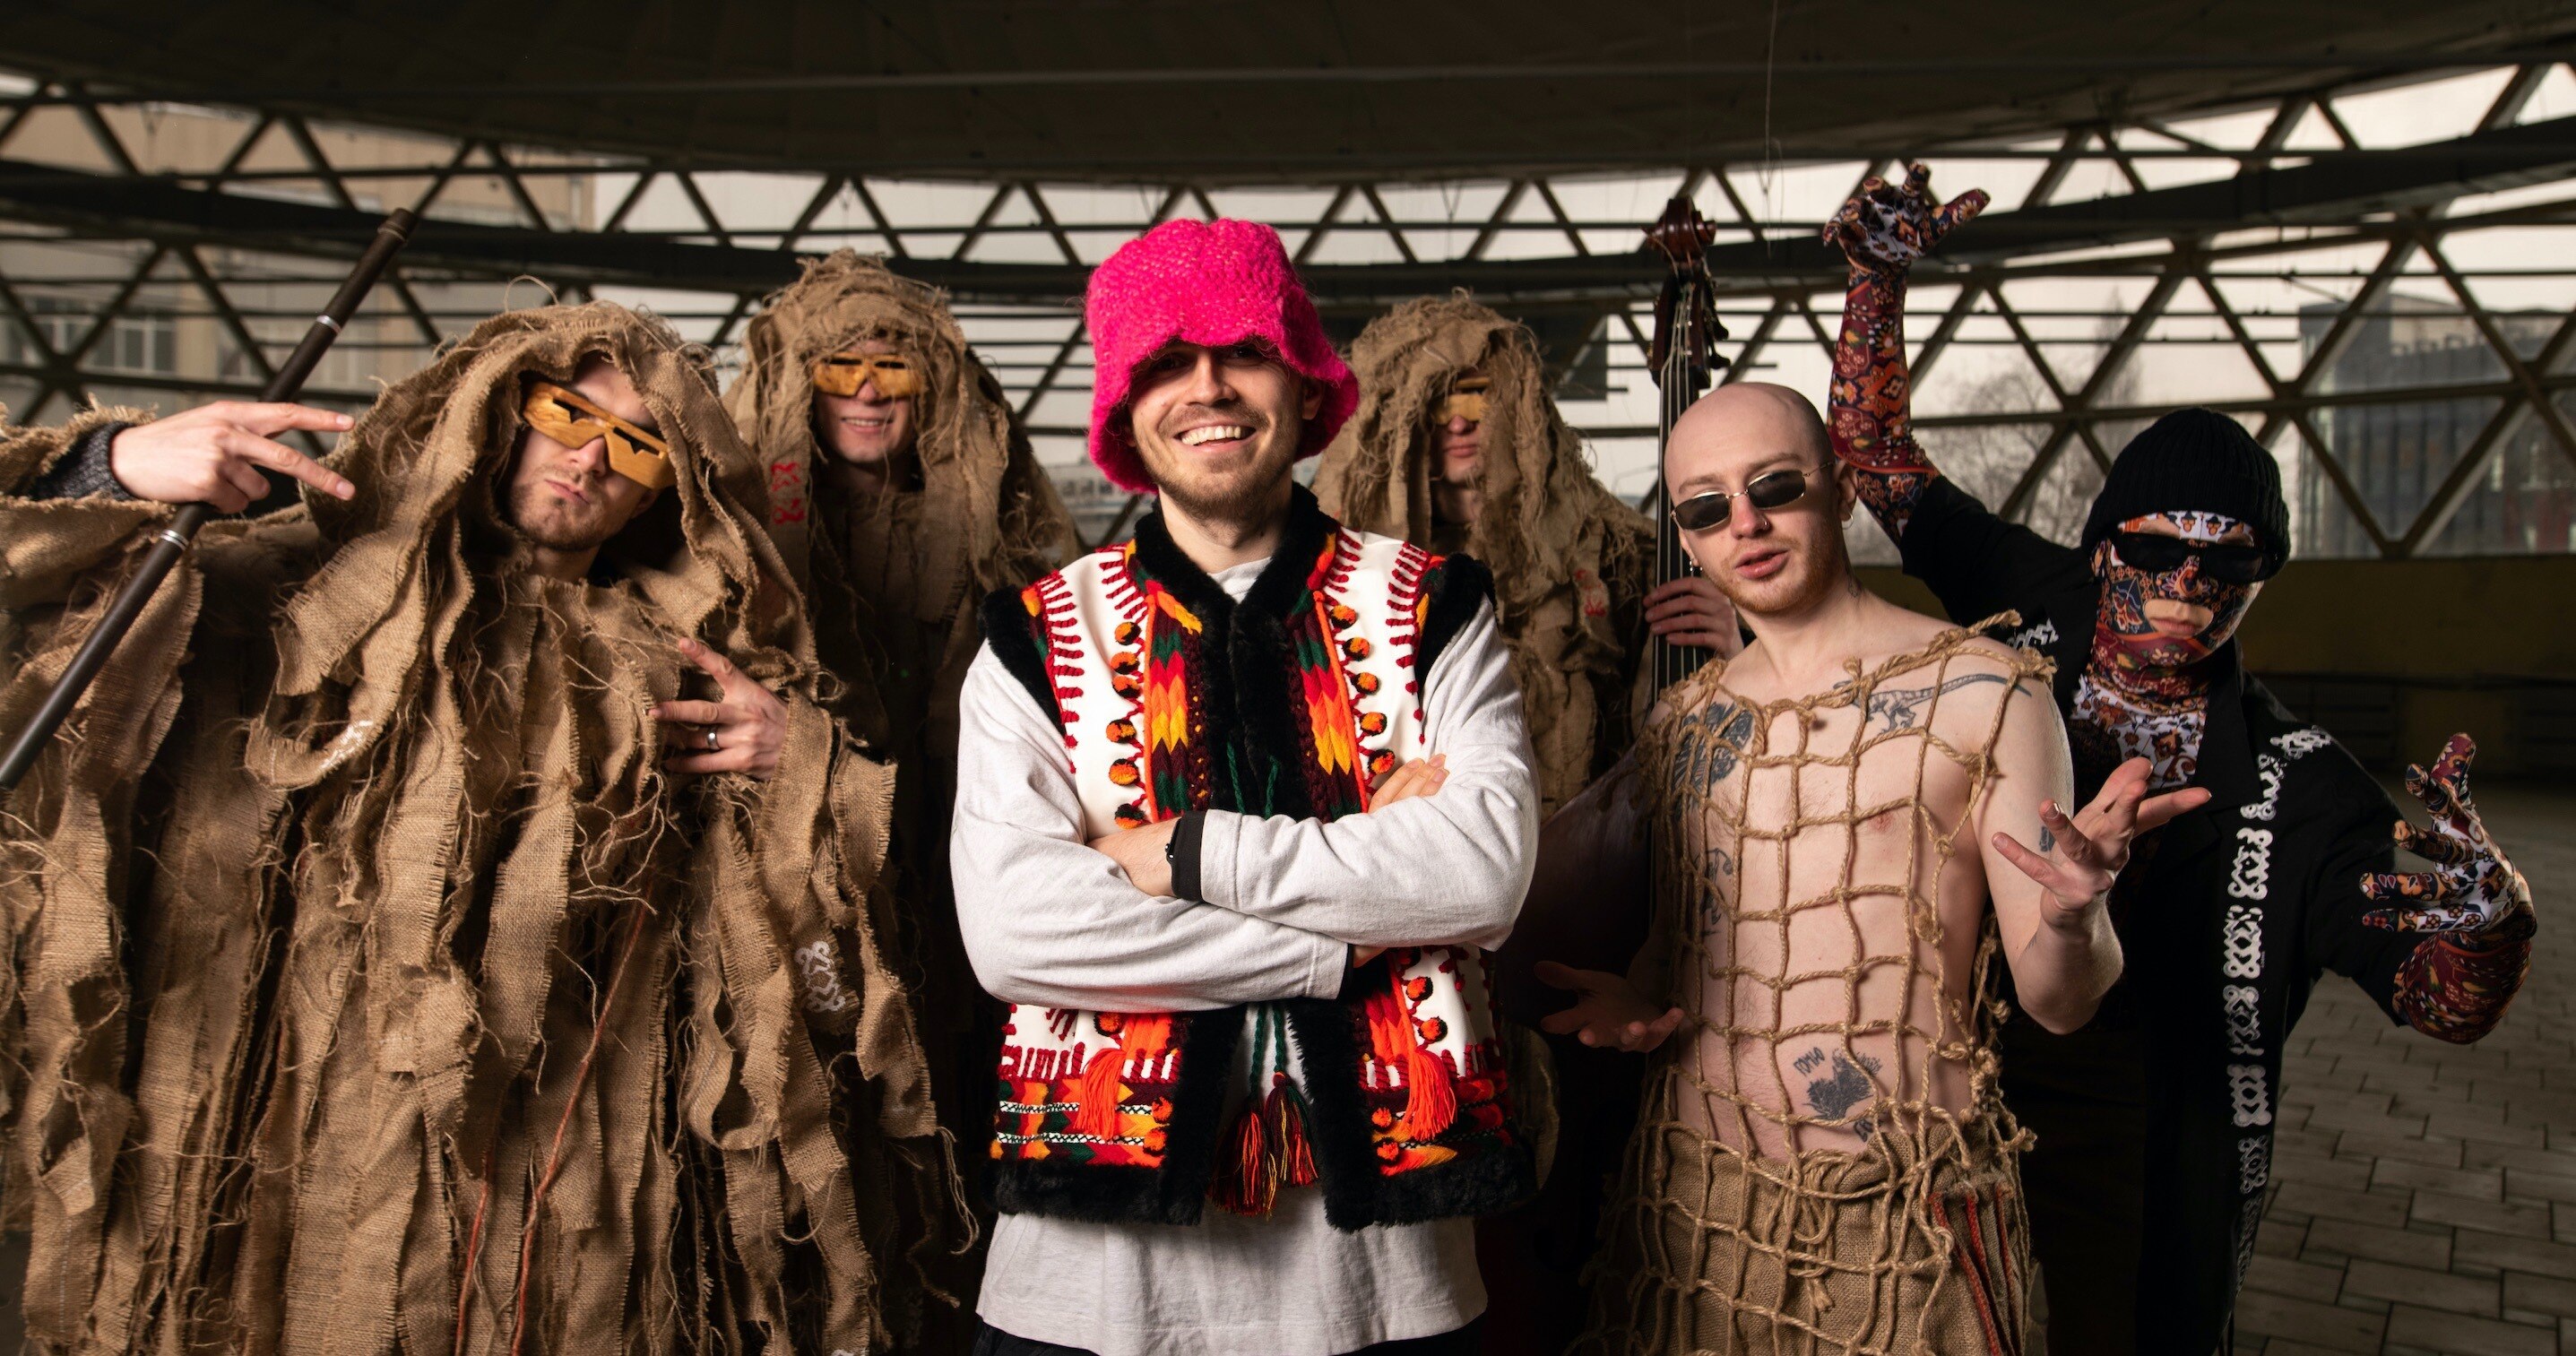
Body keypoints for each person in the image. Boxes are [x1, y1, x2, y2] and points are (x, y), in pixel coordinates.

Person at [0, 305, 946, 1353]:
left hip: (561, 1187)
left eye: (637, 443)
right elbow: (39, 598)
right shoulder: (300, 590)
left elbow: (817, 956)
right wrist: (110, 465)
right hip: (287, 1148)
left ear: (667, 488)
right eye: (566, 412)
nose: (590, 458)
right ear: (501, 407)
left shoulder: (685, 670)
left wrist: (802, 759)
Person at [1820, 164, 2539, 1354]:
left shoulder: (2296, 783)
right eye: (2156, 549)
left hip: (2148, 1137)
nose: (2187, 585)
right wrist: (1872, 282)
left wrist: (2487, 926)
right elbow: (1877, 457)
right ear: (2104, 547)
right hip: (1948, 1078)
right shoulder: (2027, 590)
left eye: (2229, 565)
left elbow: (2436, 1005)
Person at [948, 219, 1542, 1356]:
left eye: (1242, 350)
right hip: (1086, 1280)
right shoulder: (1033, 634)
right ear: (1124, 412)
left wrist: (1178, 854)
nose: (1206, 387)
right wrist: (1343, 939)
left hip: (1390, 1283)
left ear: (1307, 384)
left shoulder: (1434, 607)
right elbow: (1016, 932)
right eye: (1164, 362)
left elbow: (1481, 875)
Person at [1543, 381, 2186, 1354]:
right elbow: (1688, 957)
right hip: (1690, 1207)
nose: (1746, 524)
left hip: (1902, 1226)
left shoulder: (1983, 693)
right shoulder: (1685, 722)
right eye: (1707, 508)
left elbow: (2061, 1003)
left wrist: (2071, 918)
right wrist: (1632, 1005)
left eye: (1774, 486)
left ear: (1840, 487)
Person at [727, 252, 1077, 1323]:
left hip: (978, 909)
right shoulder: (737, 539)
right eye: (841, 368)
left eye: (896, 368)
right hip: (807, 911)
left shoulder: (1004, 534)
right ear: (797, 385)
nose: (870, 389)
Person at [1315, 293, 1740, 816]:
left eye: (1477, 396)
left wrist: (1739, 650)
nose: (1459, 422)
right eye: (1437, 401)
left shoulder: (1622, 554)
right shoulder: (1345, 578)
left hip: (1600, 855)